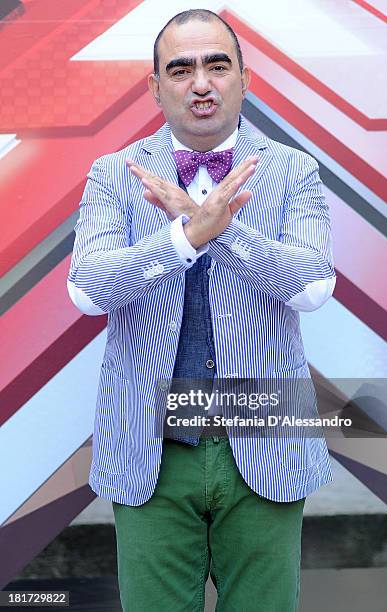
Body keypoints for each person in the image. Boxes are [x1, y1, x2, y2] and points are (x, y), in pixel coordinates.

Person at [67, 8, 336, 611]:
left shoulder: (294, 169)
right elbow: (86, 291)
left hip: (266, 437)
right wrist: (181, 241)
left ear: (244, 78)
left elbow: (313, 287)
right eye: (181, 68)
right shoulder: (114, 174)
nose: (201, 82)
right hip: (148, 444)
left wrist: (217, 229)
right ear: (155, 87)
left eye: (218, 64)